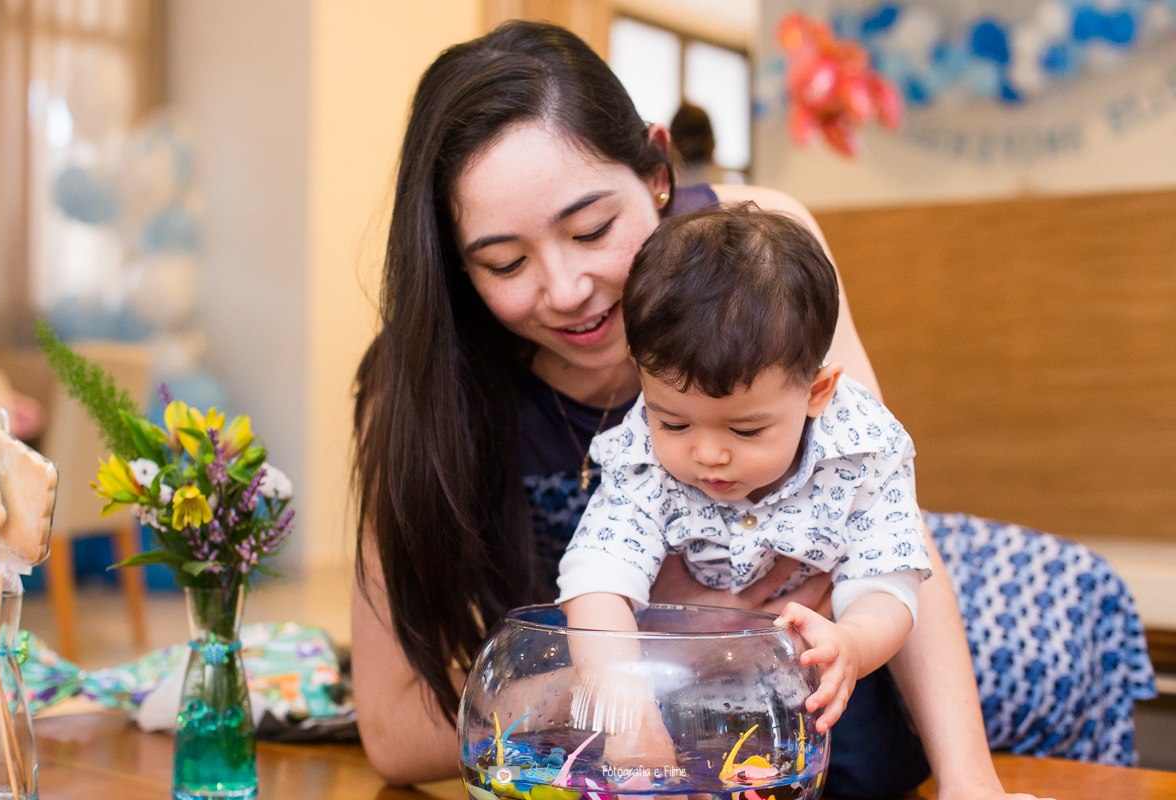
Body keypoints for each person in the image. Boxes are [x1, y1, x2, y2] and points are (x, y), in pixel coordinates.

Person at [351, 18, 1152, 799]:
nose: (565, 291)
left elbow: (881, 510)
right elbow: (391, 734)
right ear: (456, 267)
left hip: (839, 602)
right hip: (632, 686)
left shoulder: (760, 259)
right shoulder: (420, 391)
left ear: (657, 176)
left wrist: (970, 781)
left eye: (593, 229)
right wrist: (682, 638)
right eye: (505, 261)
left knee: (1064, 613)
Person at [558, 205, 931, 769]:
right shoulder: (640, 456)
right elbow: (595, 580)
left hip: (825, 690)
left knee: (873, 769)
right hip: (686, 694)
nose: (708, 454)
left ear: (817, 391)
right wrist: (628, 712)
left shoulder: (864, 448)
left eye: (746, 428)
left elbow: (890, 580)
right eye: (675, 424)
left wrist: (852, 642)